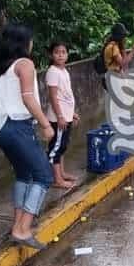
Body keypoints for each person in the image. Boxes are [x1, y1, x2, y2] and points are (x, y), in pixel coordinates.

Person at [0, 23, 55, 250]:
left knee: (24, 174)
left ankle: (17, 224)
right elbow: (28, 98)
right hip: (17, 126)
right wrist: (46, 125)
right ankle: (22, 229)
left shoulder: (6, 67)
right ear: (24, 42)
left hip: (1, 128)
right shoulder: (25, 64)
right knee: (44, 176)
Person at [45, 42, 80, 189]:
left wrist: (71, 113)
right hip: (58, 118)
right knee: (56, 149)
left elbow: (65, 94)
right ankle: (57, 179)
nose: (60, 55)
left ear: (67, 55)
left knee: (62, 146)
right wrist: (60, 116)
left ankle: (62, 173)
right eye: (57, 52)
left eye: (63, 52)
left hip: (65, 116)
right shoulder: (52, 72)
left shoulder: (64, 71)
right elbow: (53, 96)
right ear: (51, 55)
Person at [102, 23, 134, 89]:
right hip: (113, 79)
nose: (125, 38)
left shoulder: (115, 46)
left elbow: (124, 63)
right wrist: (133, 51)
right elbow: (123, 63)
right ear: (119, 36)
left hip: (114, 77)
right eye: (123, 36)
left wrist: (123, 47)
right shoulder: (113, 47)